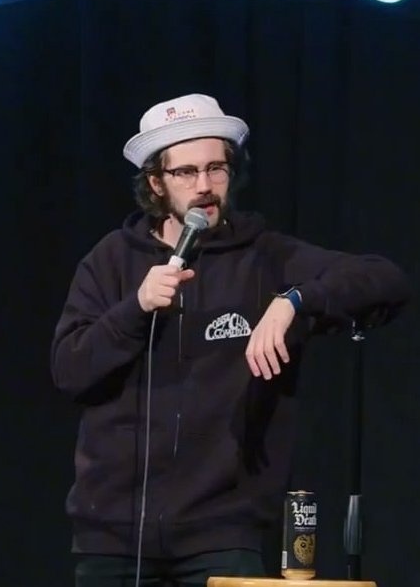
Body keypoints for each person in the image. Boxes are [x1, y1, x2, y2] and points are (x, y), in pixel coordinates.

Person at [51, 93, 409, 587]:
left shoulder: (264, 256)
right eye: (186, 172)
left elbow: (385, 280)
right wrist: (136, 307)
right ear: (156, 182)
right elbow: (70, 370)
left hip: (222, 536)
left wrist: (293, 300)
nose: (204, 186)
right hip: (113, 537)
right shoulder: (110, 261)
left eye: (215, 168)